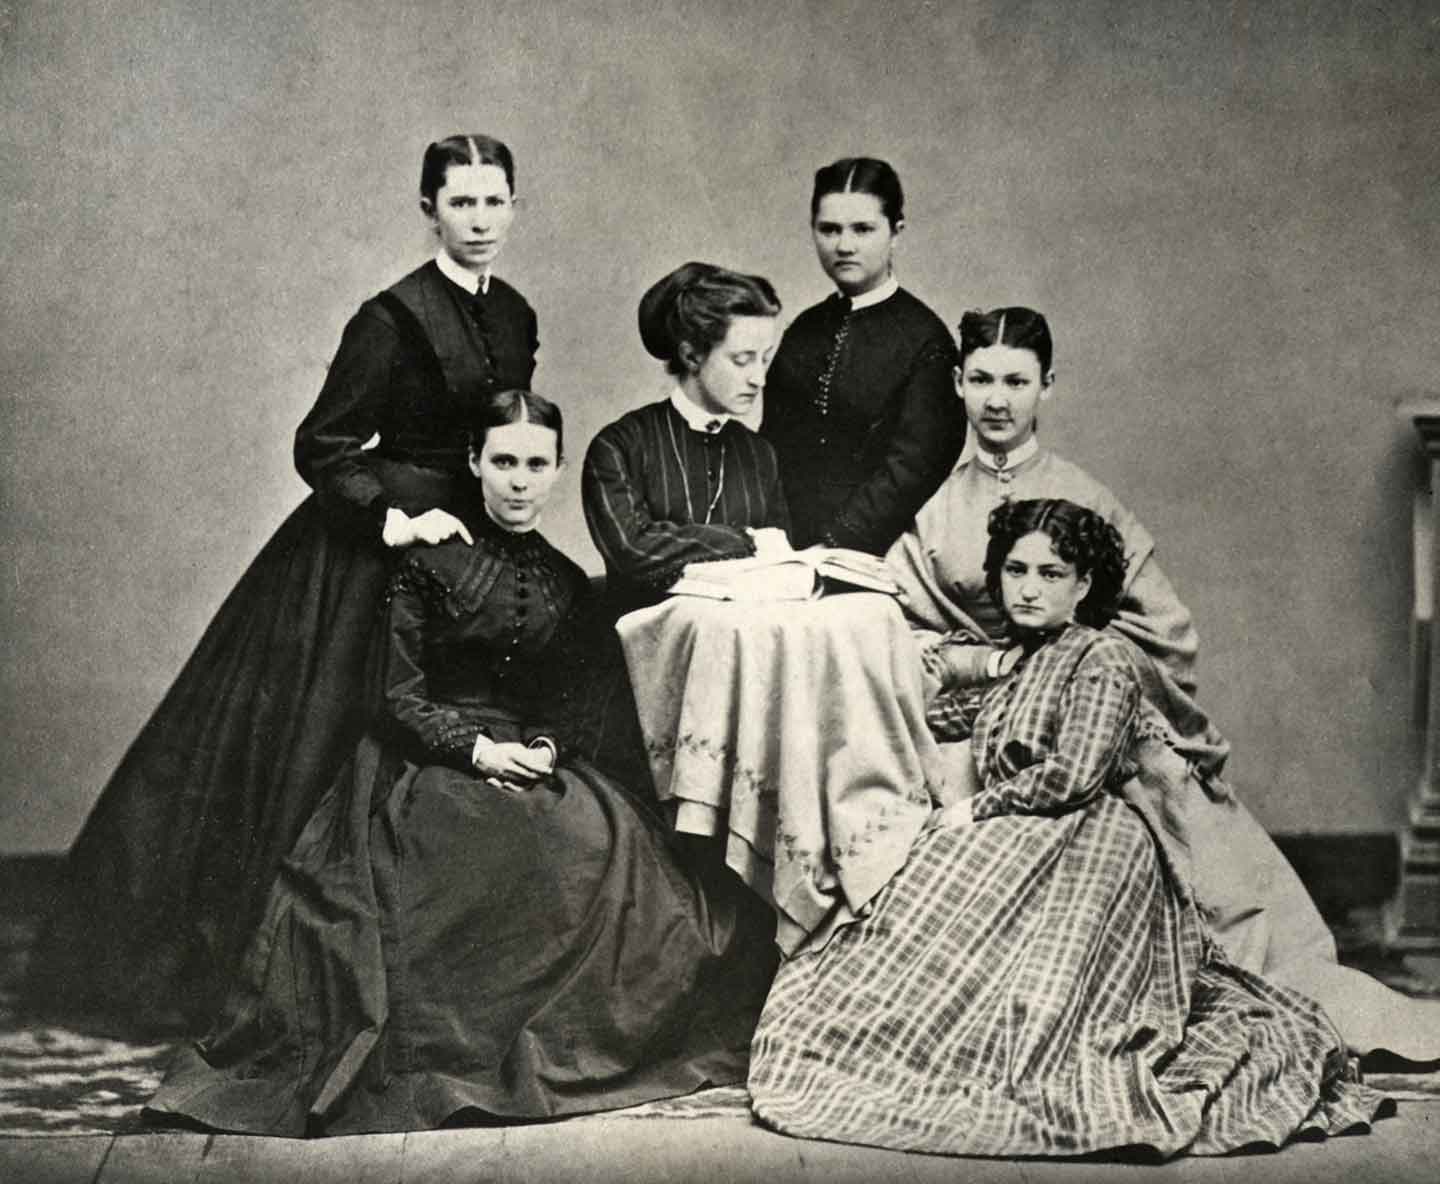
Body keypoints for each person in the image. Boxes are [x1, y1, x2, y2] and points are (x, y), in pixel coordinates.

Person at [144, 391, 776, 1135]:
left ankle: (568, 1038)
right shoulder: (425, 563)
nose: (518, 481)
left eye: (536, 464)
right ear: (474, 464)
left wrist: (538, 750)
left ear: (557, 470)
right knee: (472, 857)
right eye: (503, 461)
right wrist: (477, 750)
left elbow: (565, 706)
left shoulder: (566, 582)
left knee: (602, 864)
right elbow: (397, 697)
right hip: (425, 762)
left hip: (529, 758)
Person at [27, 134, 542, 1032]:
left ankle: (437, 960)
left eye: (495, 201)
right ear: (428, 210)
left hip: (469, 546)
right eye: (461, 203)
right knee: (323, 747)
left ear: (516, 206)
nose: (480, 221)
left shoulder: (518, 314)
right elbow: (324, 446)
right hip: (375, 551)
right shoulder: (391, 317)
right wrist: (394, 520)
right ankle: (286, 977)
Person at [748, 498, 1389, 1159]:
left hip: (1094, 841)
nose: (1028, 588)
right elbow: (926, 720)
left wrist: (974, 810)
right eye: (1016, 570)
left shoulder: (1103, 656)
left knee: (1041, 1010)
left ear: (1084, 586)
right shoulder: (1019, 662)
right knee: (880, 940)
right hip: (1022, 834)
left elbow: (1076, 774)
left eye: (1051, 574)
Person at [887, 306, 1440, 1060]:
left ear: (1047, 386)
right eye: (981, 379)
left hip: (1090, 718)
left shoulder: (1084, 496)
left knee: (1190, 859)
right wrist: (989, 667)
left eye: (1016, 380)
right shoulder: (934, 508)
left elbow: (1166, 630)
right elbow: (901, 625)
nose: (997, 400)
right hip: (977, 718)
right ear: (957, 383)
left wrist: (1064, 675)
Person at [760, 157, 966, 553]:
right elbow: (771, 449)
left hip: (879, 554)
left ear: (896, 232)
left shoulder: (926, 341)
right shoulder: (805, 329)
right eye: (829, 229)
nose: (844, 245)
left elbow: (912, 469)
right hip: (784, 550)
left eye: (863, 229)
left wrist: (835, 546)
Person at [583, 261, 791, 609]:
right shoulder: (620, 445)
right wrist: (746, 540)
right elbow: (634, 549)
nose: (760, 379)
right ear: (691, 355)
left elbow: (781, 560)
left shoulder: (759, 453)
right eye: (742, 360)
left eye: (765, 359)